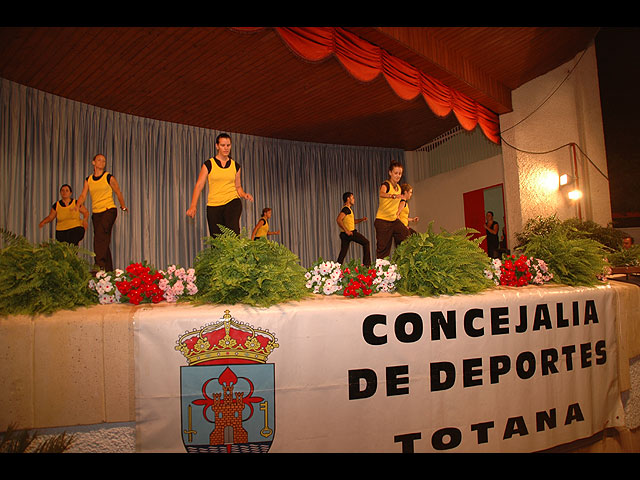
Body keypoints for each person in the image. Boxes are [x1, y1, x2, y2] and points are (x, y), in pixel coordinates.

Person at [186, 133, 253, 237]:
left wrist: (244, 195)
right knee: (217, 239)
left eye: (228, 145)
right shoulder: (209, 164)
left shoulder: (236, 166)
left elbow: (238, 187)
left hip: (232, 202)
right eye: (223, 145)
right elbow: (199, 185)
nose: (226, 148)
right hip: (214, 205)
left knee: (232, 235)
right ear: (217, 146)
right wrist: (193, 206)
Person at [76, 154, 128, 272]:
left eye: (104, 161)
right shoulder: (89, 179)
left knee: (99, 238)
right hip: (96, 213)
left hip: (109, 210)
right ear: (93, 162)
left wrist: (123, 206)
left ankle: (99, 266)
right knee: (103, 240)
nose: (102, 162)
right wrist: (77, 205)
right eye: (99, 160)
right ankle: (108, 271)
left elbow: (118, 192)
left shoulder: (108, 177)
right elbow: (83, 195)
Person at [374, 160, 408, 259]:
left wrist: (398, 212)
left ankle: (400, 259)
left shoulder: (399, 188)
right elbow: (382, 193)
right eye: (396, 173)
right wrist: (392, 196)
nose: (398, 176)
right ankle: (381, 267)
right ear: (390, 173)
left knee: (406, 235)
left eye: (400, 173)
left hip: (394, 220)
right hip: (383, 221)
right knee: (383, 250)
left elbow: (401, 201)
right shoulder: (386, 185)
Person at [336, 192, 371, 266]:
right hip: (349, 233)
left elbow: (353, 222)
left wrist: (362, 219)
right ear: (348, 199)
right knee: (366, 243)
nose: (354, 199)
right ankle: (367, 265)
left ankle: (337, 266)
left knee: (343, 252)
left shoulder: (348, 210)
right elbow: (338, 219)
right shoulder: (346, 209)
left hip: (344, 234)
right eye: (353, 198)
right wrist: (346, 231)